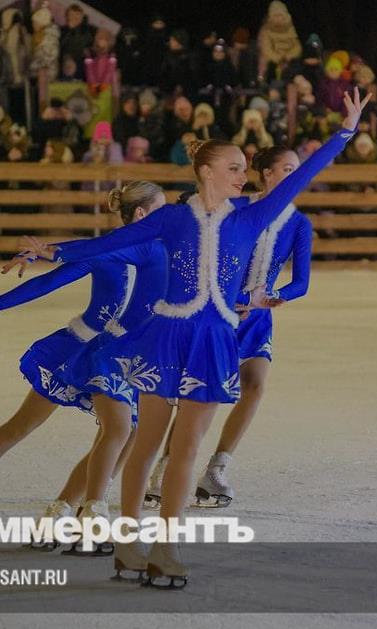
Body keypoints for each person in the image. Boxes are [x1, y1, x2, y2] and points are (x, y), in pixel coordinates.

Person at [15, 89, 371, 588]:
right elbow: (111, 243)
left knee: (185, 450)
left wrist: (344, 133)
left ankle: (166, 547)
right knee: (145, 443)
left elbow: (303, 176)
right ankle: (128, 542)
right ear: (206, 172)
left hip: (213, 339)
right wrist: (53, 251)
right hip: (166, 335)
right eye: (234, 168)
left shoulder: (252, 217)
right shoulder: (172, 218)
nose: (244, 175)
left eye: (245, 169)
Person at [0, 182, 168, 531]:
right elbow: (50, 282)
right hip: (81, 350)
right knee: (24, 424)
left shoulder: (160, 248)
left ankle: (69, 506)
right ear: (142, 214)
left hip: (126, 356)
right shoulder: (107, 252)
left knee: (125, 431)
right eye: (161, 209)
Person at [145, 145, 313, 509]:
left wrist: (272, 297)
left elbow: (302, 282)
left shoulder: (299, 223)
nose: (295, 176)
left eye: (297, 170)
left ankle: (217, 468)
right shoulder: (234, 208)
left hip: (257, 317)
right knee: (195, 393)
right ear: (267, 173)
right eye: (287, 169)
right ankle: (164, 469)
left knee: (254, 385)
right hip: (216, 312)